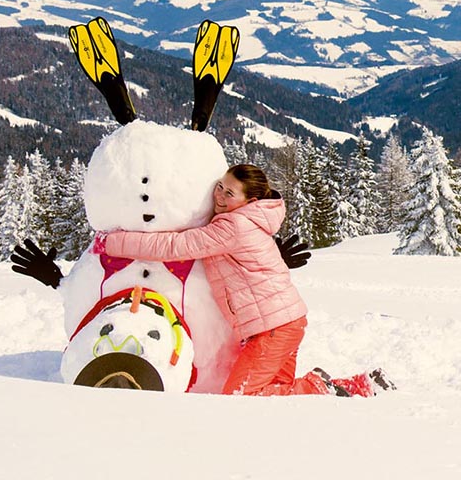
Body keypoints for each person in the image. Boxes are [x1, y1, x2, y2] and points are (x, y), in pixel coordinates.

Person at [93, 164, 393, 398]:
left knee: (243, 397)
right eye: (219, 187)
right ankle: (361, 384)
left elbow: (174, 246)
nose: (219, 197)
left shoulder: (232, 227)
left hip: (272, 328)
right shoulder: (246, 220)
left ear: (249, 200)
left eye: (229, 194)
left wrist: (112, 243)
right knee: (277, 404)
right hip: (283, 322)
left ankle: (320, 385)